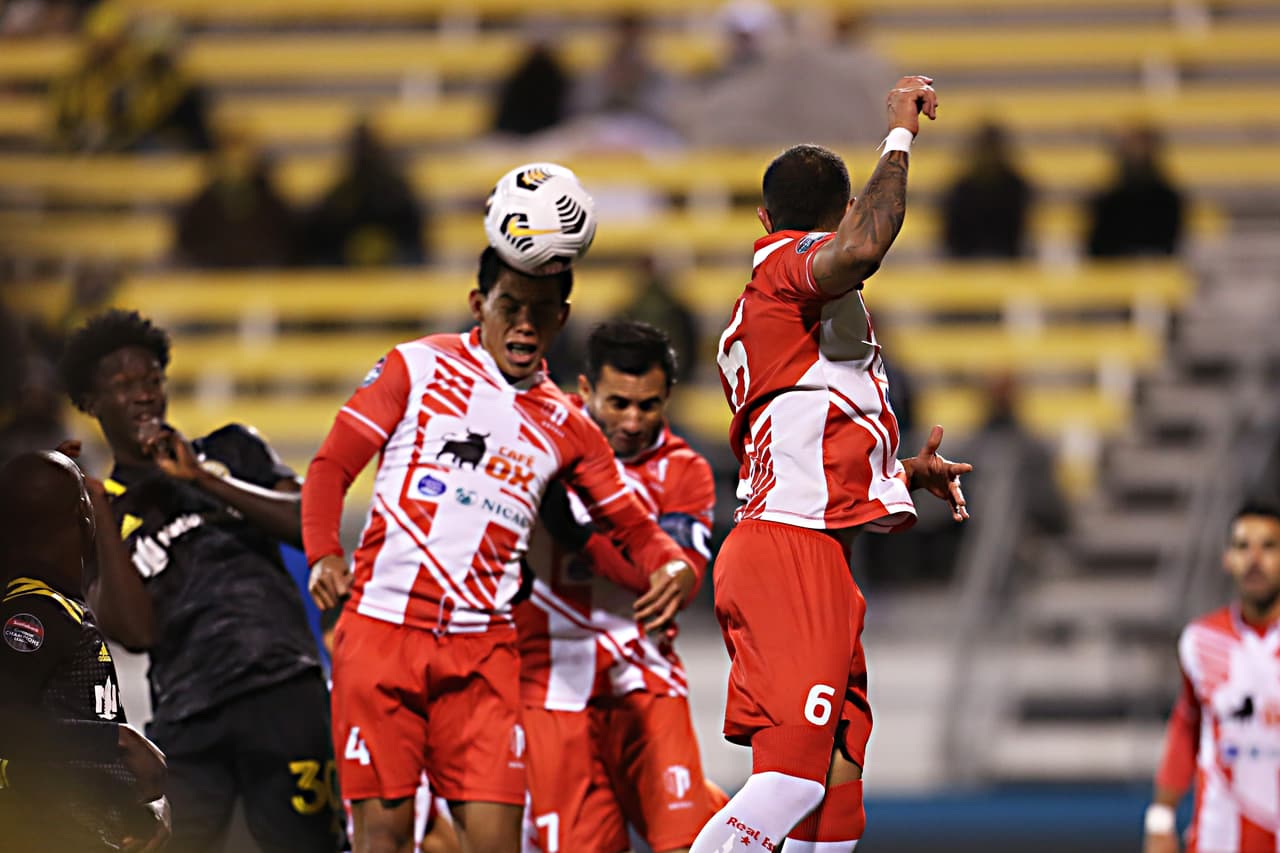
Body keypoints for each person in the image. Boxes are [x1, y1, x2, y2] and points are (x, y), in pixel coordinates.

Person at [302, 246, 698, 853]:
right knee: (384, 835)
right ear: (477, 305)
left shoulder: (570, 426)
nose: (524, 323)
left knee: (494, 842)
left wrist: (671, 565)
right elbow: (331, 466)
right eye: (509, 306)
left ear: (561, 319)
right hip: (384, 631)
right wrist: (325, 551)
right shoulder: (415, 366)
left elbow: (634, 529)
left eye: (541, 310)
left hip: (483, 649)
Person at [689, 75, 973, 853]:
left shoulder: (767, 324)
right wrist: (898, 137)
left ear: (760, 214)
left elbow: (798, 430)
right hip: (790, 552)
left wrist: (899, 471)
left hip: (803, 546)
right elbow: (864, 246)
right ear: (836, 214)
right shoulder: (788, 269)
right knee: (792, 781)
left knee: (840, 785)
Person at [58, 309, 344, 853]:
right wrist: (98, 509)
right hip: (188, 719)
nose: (143, 395)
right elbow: (135, 633)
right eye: (123, 386)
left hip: (283, 691)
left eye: (151, 380)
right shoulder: (97, 515)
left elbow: (312, 523)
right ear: (92, 404)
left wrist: (207, 482)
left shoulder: (233, 449)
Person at [517, 320, 717, 853]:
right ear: (585, 391)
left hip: (643, 676)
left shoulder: (684, 471)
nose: (631, 421)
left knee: (688, 844)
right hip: (551, 680)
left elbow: (672, 582)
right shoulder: (540, 444)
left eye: (647, 405)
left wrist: (578, 536)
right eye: (618, 403)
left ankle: (717, 812)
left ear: (667, 397)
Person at [0, 449, 171, 853]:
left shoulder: (60, 607)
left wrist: (140, 805)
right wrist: (117, 741)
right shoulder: (31, 614)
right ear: (84, 513)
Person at [1145, 503, 1280, 853]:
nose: (1254, 559)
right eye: (1242, 546)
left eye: (1268, 547)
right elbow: (1186, 725)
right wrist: (1160, 819)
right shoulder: (1201, 641)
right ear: (1227, 559)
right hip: (1220, 835)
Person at [301, 121, 427, 267]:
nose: (364, 154)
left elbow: (415, 241)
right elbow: (321, 237)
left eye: (367, 147)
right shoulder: (341, 193)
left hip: (395, 271)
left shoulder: (397, 192)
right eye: (360, 148)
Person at [1086, 124, 1184, 258]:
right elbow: (1095, 248)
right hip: (1115, 269)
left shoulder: (1169, 198)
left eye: (1141, 147)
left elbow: (1171, 245)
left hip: (1155, 269)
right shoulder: (1106, 200)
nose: (1137, 154)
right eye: (1131, 148)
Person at [940, 121, 1032, 259]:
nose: (988, 155)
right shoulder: (960, 190)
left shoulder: (1017, 187)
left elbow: (1021, 232)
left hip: (1008, 261)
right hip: (965, 263)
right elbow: (951, 237)